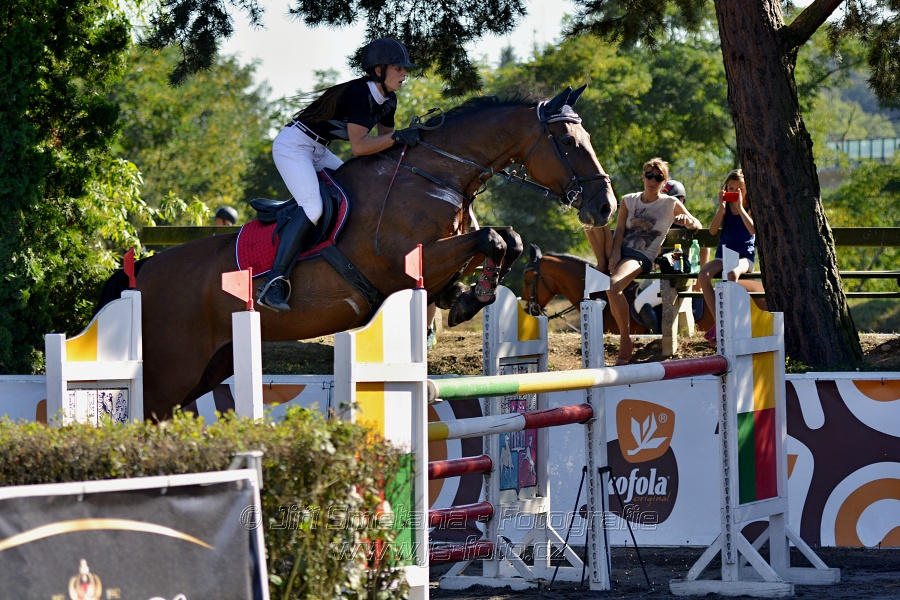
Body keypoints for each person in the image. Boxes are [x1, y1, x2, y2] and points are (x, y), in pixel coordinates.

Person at [257, 38, 420, 311]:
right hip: (294, 146)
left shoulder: (388, 100)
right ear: (379, 70)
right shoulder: (360, 95)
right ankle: (275, 282)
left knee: (356, 193)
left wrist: (410, 139)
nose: (405, 73)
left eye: (405, 69)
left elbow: (384, 143)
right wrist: (398, 137)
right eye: (399, 68)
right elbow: (360, 147)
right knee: (313, 207)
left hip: (318, 150)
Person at [608, 158, 703, 365]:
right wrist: (614, 254)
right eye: (649, 175)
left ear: (664, 181)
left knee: (613, 287)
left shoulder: (670, 203)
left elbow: (696, 223)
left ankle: (626, 340)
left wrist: (689, 222)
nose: (653, 180)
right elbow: (620, 230)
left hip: (639, 255)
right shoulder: (628, 200)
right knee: (593, 224)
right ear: (642, 177)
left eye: (658, 177)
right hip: (619, 251)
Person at [697, 168, 756, 346]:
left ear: (746, 190)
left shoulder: (750, 206)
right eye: (730, 188)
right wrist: (721, 209)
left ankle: (731, 320)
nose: (734, 192)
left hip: (745, 257)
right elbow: (713, 231)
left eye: (739, 189)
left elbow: (753, 230)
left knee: (731, 273)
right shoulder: (726, 208)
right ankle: (720, 322)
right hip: (724, 254)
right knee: (704, 275)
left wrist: (740, 208)